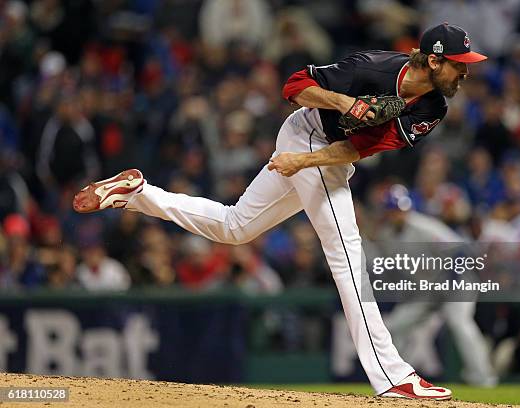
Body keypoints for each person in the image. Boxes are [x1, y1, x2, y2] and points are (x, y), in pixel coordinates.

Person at [73, 23, 487, 400]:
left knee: (235, 228)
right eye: (459, 65)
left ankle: (137, 193)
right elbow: (295, 85)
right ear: (433, 60)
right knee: (348, 257)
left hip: (321, 155)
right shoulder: (373, 68)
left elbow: (360, 148)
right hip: (306, 131)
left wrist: (302, 163)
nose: (465, 73)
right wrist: (343, 101)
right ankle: (392, 376)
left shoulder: (433, 108)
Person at [377, 184, 498, 387]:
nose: (399, 214)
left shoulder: (424, 226)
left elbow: (460, 251)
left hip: (457, 283)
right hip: (427, 289)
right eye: (394, 210)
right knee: (396, 326)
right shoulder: (386, 235)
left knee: (460, 323)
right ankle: (395, 378)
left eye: (402, 209)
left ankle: (484, 378)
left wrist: (450, 283)